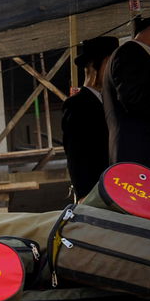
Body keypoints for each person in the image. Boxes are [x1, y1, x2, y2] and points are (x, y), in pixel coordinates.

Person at [63, 35, 120, 198]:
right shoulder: (77, 104)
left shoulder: (110, 100)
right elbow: (76, 154)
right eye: (113, 64)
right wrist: (83, 196)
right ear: (105, 63)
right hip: (95, 193)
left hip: (115, 188)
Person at [103, 15, 150, 171]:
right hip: (139, 152)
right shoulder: (130, 53)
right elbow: (134, 99)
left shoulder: (137, 55)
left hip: (139, 151)